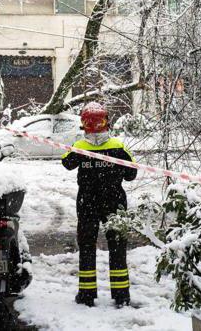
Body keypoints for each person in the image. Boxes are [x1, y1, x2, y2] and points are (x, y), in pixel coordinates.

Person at [62, 103, 137, 308]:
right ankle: (121, 295)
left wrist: (80, 150)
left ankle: (87, 295)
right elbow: (132, 174)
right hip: (115, 204)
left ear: (83, 125)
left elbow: (66, 163)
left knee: (87, 247)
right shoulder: (118, 146)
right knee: (117, 248)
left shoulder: (79, 147)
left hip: (87, 204)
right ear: (108, 122)